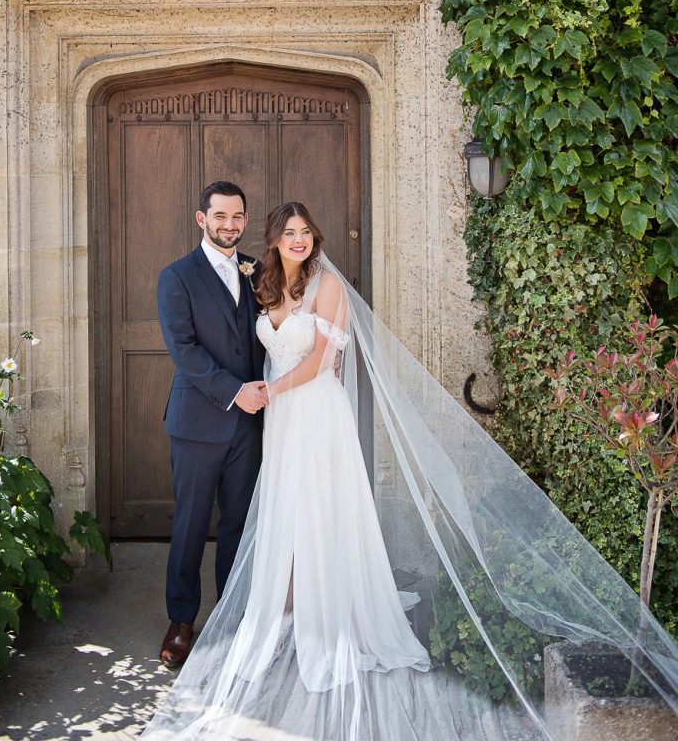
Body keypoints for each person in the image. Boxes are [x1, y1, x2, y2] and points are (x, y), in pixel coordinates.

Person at [144, 202, 678, 741]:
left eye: (306, 231)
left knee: (323, 509)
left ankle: (325, 614)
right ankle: (272, 612)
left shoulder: (327, 285)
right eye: (290, 233)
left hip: (310, 411)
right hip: (275, 419)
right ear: (273, 239)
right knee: (282, 510)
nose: (299, 240)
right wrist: (258, 395)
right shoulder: (259, 279)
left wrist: (268, 392)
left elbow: (321, 361)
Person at [155, 180, 267, 669]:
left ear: (245, 220)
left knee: (239, 524)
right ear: (202, 218)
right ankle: (181, 621)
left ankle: (231, 613)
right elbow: (184, 350)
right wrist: (235, 392)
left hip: (251, 425)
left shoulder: (257, 272)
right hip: (199, 423)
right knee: (191, 523)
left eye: (237, 216)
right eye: (220, 216)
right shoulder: (176, 276)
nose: (229, 225)